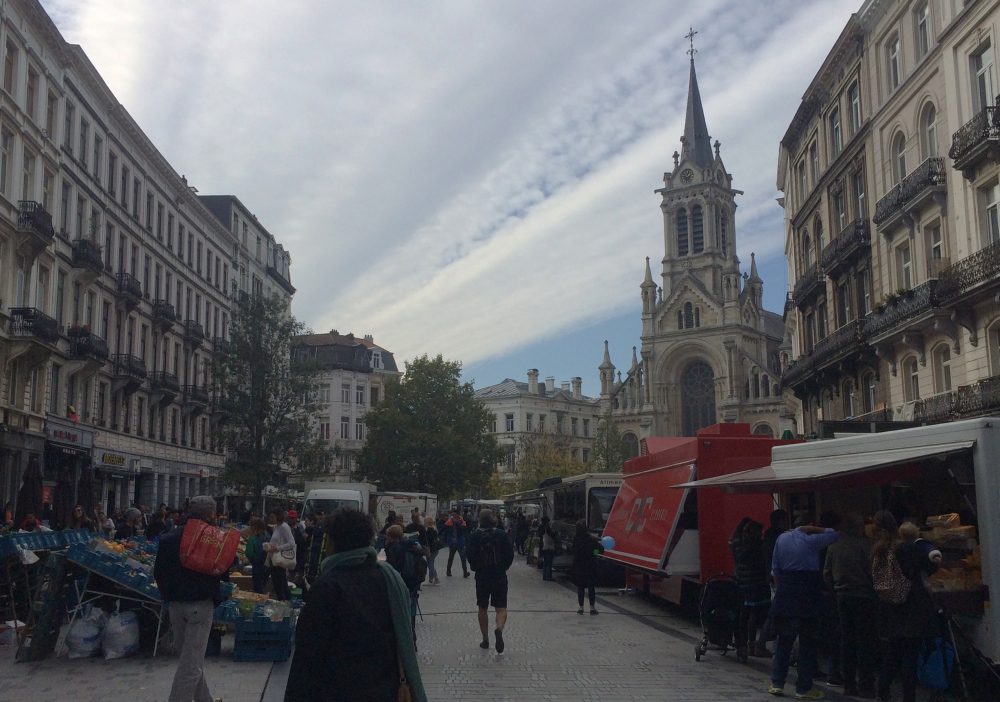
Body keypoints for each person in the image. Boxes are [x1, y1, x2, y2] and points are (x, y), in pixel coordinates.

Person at [284, 508, 426, 702]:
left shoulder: (327, 587)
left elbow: (307, 657)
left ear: (332, 542)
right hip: (385, 689)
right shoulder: (388, 579)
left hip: (338, 690)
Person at [153, 495, 225, 702]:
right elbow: (221, 570)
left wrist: (169, 595)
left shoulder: (169, 538)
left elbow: (159, 572)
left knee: (189, 659)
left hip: (176, 604)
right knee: (192, 663)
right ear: (210, 514)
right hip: (200, 604)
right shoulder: (210, 540)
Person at [767, 516, 840, 700]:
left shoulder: (781, 539)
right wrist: (816, 529)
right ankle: (803, 688)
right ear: (809, 527)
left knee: (784, 641)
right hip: (808, 594)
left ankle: (777, 683)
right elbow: (834, 534)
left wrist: (780, 591)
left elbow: (775, 570)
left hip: (785, 591)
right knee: (808, 643)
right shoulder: (812, 541)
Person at [873, 514, 942, 702]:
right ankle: (908, 697)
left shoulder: (881, 549)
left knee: (891, 655)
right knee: (909, 659)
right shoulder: (910, 550)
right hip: (911, 609)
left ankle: (883, 691)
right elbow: (932, 562)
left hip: (889, 608)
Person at [823, 513, 876, 698]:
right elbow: (873, 572)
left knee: (847, 640)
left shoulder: (834, 548)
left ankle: (849, 683)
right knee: (865, 640)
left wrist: (835, 589)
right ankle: (866, 684)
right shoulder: (867, 546)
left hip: (842, 596)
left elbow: (827, 575)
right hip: (864, 595)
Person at [465, 509, 514, 653]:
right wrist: (503, 567)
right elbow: (509, 553)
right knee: (501, 608)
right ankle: (499, 628)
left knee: (482, 607)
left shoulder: (474, 536)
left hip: (482, 575)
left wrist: (476, 567)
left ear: (480, 520)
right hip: (499, 574)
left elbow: (469, 555)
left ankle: (485, 639)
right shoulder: (501, 534)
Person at [731, 518, 772, 659]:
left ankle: (746, 643)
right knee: (758, 614)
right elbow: (762, 565)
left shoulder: (737, 544)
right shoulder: (756, 546)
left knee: (746, 615)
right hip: (756, 582)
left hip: (742, 582)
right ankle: (755, 645)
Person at [384, 524, 425, 630]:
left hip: (401, 579)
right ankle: (411, 625)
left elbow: (393, 567)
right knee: (412, 600)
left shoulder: (393, 548)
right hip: (413, 578)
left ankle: (404, 625)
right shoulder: (412, 545)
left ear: (390, 536)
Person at [569, 519, 603, 615]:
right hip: (590, 566)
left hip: (579, 566)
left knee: (580, 587)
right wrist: (594, 553)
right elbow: (600, 550)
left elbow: (573, 551)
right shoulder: (591, 539)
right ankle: (592, 608)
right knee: (591, 587)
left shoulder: (576, 540)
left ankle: (581, 608)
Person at [263, 508, 296, 601]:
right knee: (281, 584)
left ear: (278, 517)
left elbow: (291, 543)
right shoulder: (277, 526)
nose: (271, 518)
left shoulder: (284, 527)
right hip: (274, 559)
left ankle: (283, 603)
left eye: (273, 517)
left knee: (279, 585)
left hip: (279, 560)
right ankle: (287, 603)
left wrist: (277, 548)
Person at [244, 517, 270, 595]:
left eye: (251, 527)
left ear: (255, 527)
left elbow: (251, 553)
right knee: (261, 586)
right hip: (266, 566)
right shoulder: (266, 534)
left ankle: (259, 603)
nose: (250, 529)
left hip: (259, 566)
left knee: (258, 589)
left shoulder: (257, 538)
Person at [444, 509, 470, 578]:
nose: (453, 515)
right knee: (451, 557)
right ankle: (448, 571)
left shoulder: (462, 521)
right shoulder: (450, 521)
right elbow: (446, 531)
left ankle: (465, 572)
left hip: (460, 542)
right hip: (453, 542)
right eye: (453, 514)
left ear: (458, 514)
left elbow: (465, 531)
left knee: (463, 558)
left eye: (455, 514)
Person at [424, 516, 441, 585]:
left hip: (431, 550)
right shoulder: (434, 529)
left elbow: (428, 541)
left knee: (430, 565)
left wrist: (428, 550)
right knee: (431, 564)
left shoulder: (429, 530)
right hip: (435, 549)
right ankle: (433, 579)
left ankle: (434, 579)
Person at [538, 516, 557, 581]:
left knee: (545, 562)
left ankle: (544, 576)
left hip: (542, 546)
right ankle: (548, 577)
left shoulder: (540, 527)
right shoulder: (547, 528)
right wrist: (556, 533)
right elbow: (552, 535)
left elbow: (539, 535)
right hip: (548, 547)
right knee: (549, 562)